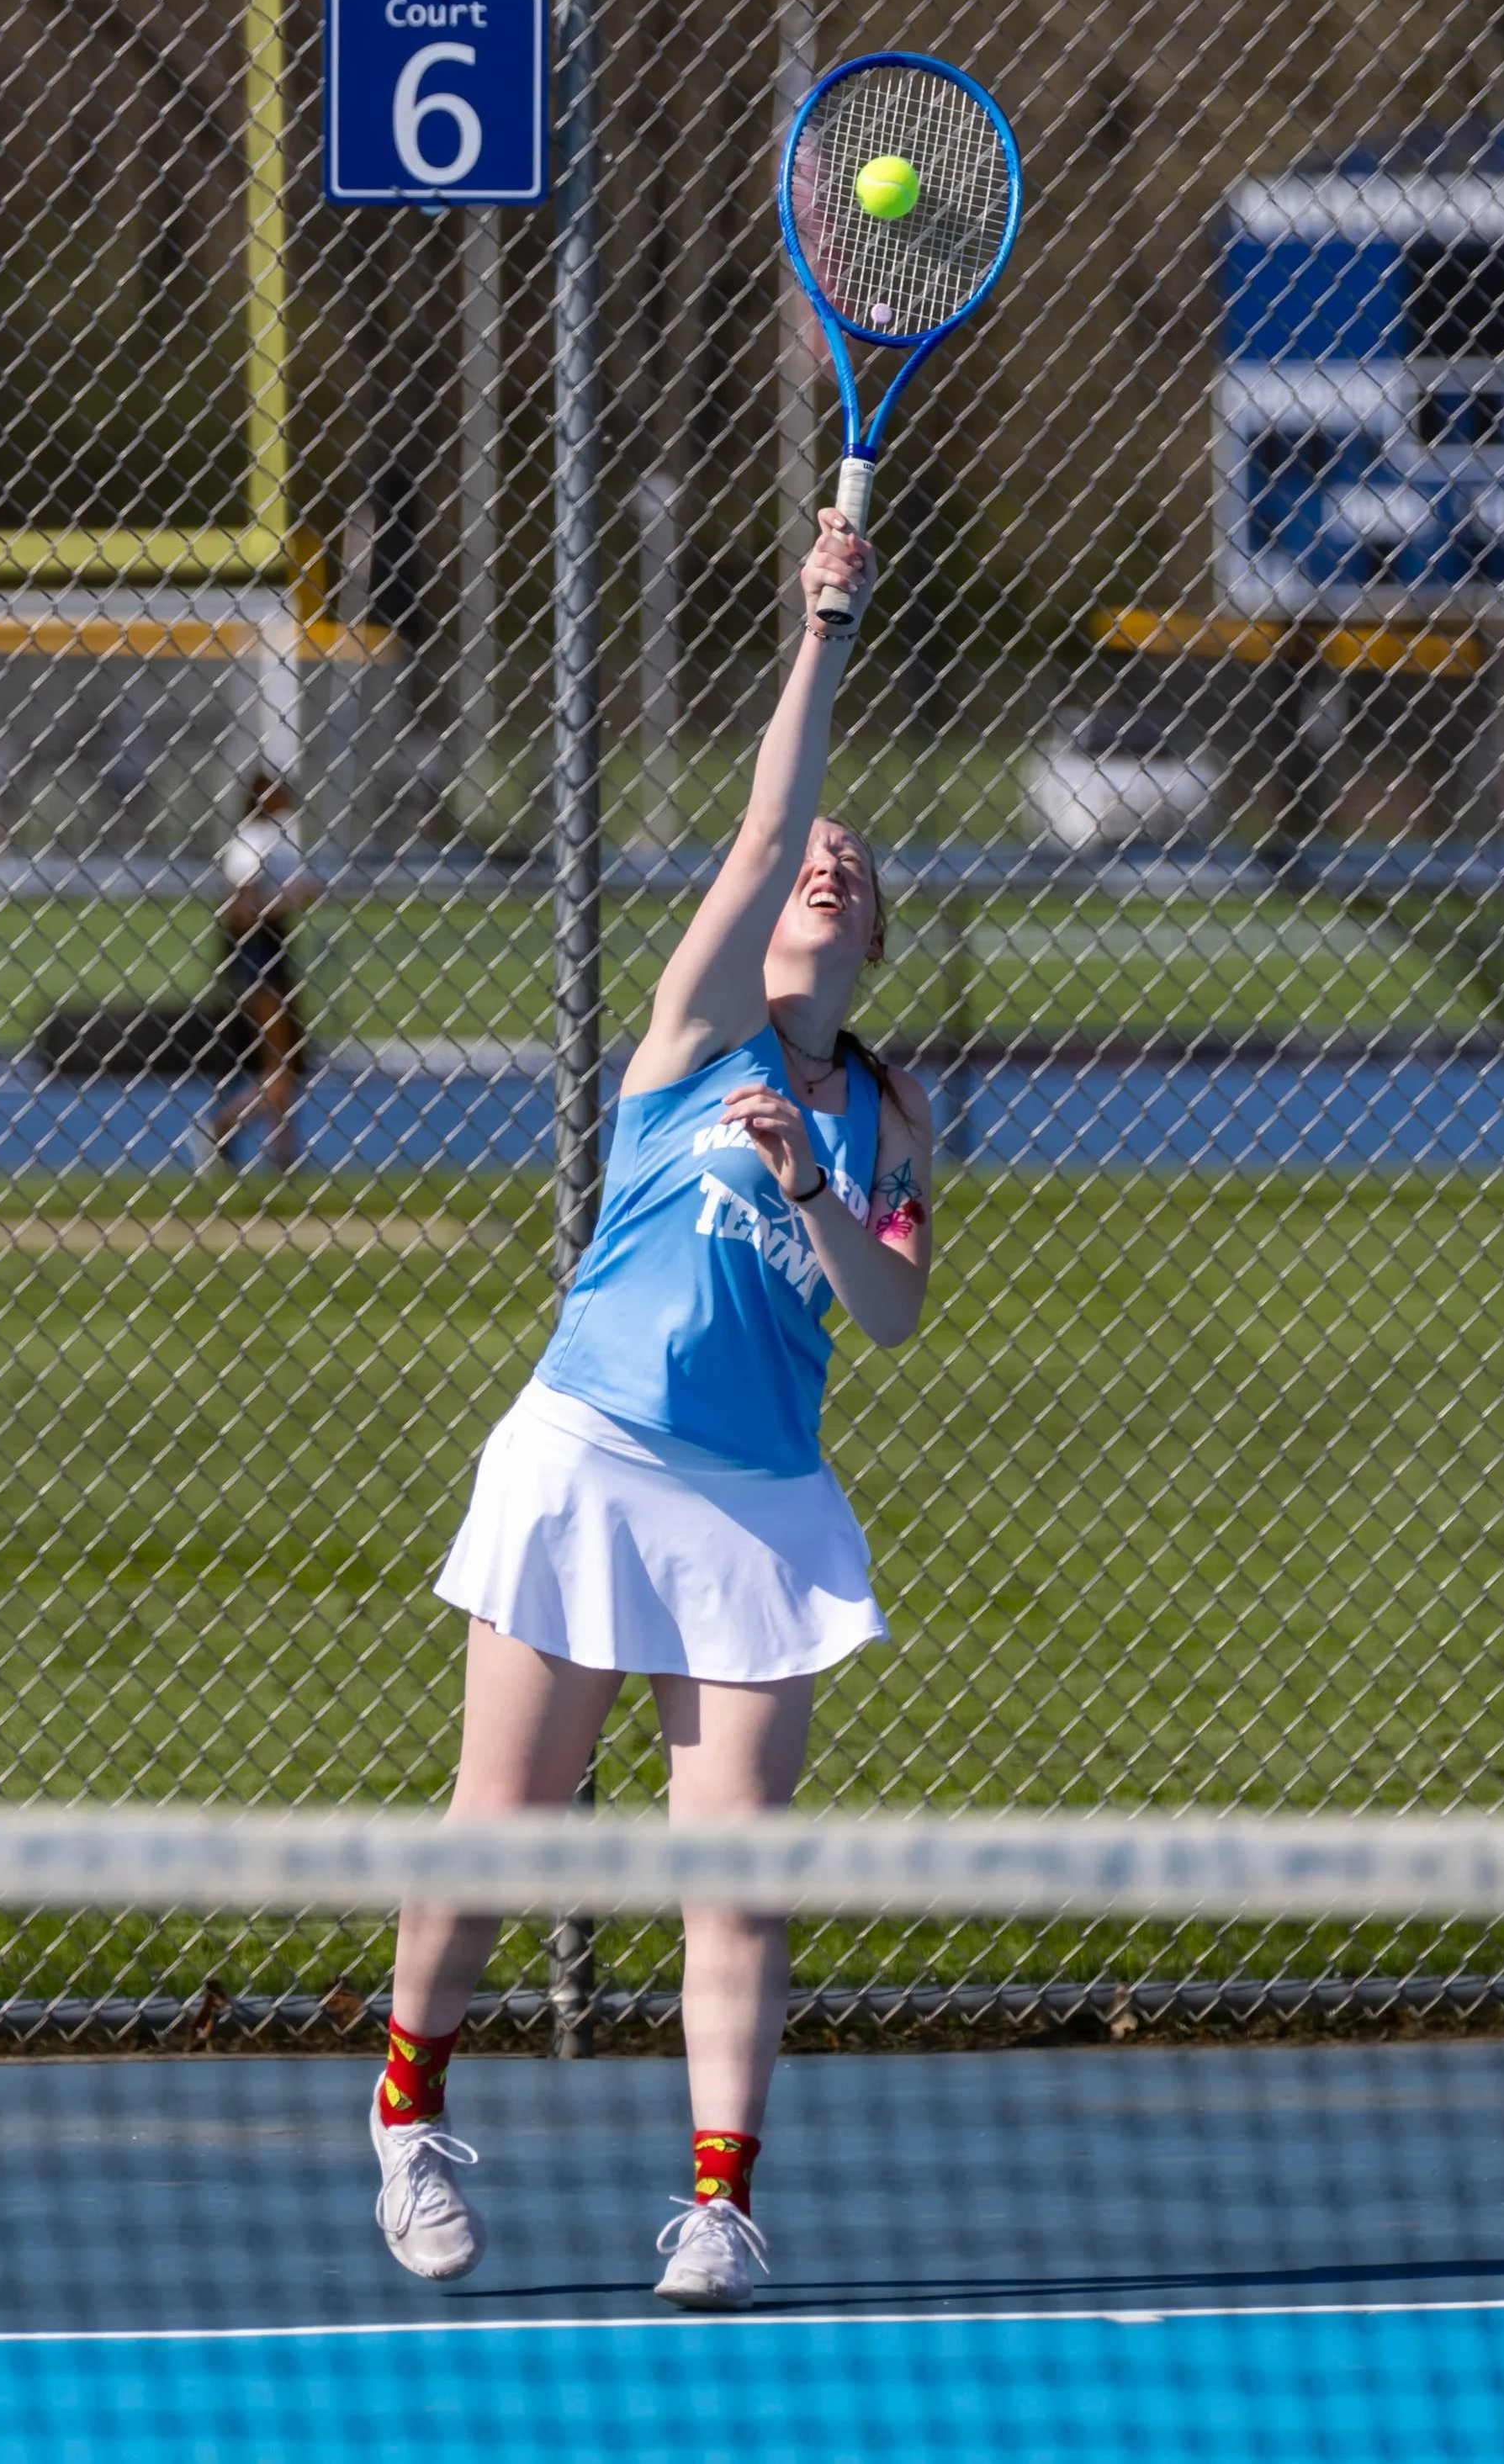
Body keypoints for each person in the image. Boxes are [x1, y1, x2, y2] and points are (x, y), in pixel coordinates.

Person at [372, 511, 935, 2310]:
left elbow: (897, 1312)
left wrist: (813, 1197)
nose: (821, 866)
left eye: (854, 861)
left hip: (756, 1506)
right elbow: (769, 814)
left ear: (878, 930)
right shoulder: (692, 1041)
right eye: (804, 861)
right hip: (587, 1455)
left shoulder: (887, 1118)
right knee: (505, 1815)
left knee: (736, 1876)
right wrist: (821, 628)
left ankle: (718, 2199)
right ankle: (407, 2103)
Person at [204, 768, 317, 1173]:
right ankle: (224, 1125)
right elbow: (240, 909)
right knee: (279, 1064)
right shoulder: (252, 840)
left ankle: (284, 1153)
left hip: (275, 952)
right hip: (257, 956)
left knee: (284, 1063)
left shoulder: (278, 837)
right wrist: (286, 901)